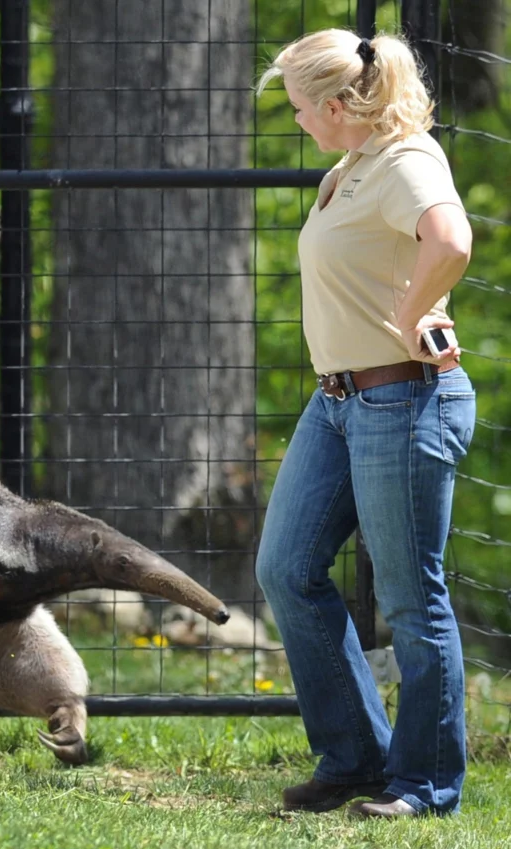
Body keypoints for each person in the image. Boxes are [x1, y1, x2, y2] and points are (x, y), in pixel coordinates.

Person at [253, 29, 477, 818]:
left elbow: (451, 240)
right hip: (338, 402)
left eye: (301, 109)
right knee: (286, 568)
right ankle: (354, 759)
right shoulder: (348, 168)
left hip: (405, 399)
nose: (298, 122)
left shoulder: (406, 160)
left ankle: (423, 785)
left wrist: (414, 311)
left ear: (342, 105)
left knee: (413, 600)